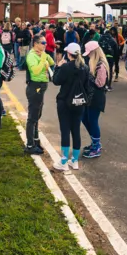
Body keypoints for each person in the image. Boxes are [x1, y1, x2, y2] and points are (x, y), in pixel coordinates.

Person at [52, 43, 89, 171]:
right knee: (76, 130)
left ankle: (63, 161)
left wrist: (57, 66)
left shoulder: (66, 67)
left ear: (68, 54)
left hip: (65, 102)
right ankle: (74, 160)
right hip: (79, 102)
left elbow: (56, 81)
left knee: (65, 130)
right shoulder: (85, 67)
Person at [23, 34, 55, 154]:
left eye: (45, 43)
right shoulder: (31, 56)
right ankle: (30, 145)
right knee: (32, 117)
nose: (45, 45)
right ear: (35, 43)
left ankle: (36, 141)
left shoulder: (42, 54)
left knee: (37, 116)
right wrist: (42, 59)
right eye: (43, 43)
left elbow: (51, 62)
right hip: (35, 86)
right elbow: (35, 71)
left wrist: (44, 54)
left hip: (41, 86)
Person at [82, 41, 109, 158]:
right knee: (84, 118)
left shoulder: (101, 65)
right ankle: (94, 142)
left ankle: (96, 146)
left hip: (96, 98)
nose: (87, 55)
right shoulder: (92, 63)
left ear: (94, 52)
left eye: (89, 53)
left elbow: (100, 83)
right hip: (89, 97)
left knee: (92, 121)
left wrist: (88, 77)